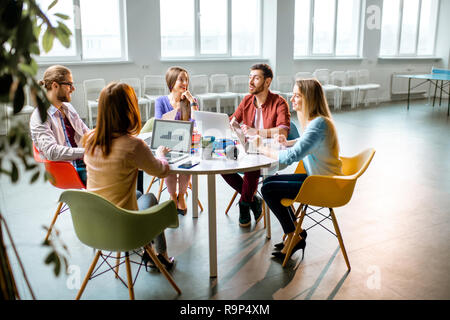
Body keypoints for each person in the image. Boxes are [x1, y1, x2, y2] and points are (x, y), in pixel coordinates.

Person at [83, 82, 175, 270]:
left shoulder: (90, 139)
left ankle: (149, 250)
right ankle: (161, 256)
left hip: (93, 222)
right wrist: (160, 155)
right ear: (130, 110)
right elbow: (161, 171)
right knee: (149, 197)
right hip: (124, 225)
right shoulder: (134, 145)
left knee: (139, 195)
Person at [252, 78, 343, 261]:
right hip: (316, 178)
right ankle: (296, 232)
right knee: (269, 182)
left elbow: (291, 157)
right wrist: (289, 142)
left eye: (297, 96)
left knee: (268, 188)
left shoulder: (318, 124)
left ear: (309, 98)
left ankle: (294, 234)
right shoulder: (316, 122)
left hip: (323, 184)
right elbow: (307, 143)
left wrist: (262, 149)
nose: (292, 99)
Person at [222, 63, 291, 227]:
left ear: (267, 82)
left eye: (256, 78)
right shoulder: (247, 100)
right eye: (250, 77)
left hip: (269, 152)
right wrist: (223, 124)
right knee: (222, 162)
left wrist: (256, 131)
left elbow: (282, 132)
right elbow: (232, 121)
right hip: (249, 149)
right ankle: (253, 200)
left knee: (252, 165)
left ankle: (244, 203)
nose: (251, 82)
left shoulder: (279, 103)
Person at [30, 65, 90, 185]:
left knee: (127, 161)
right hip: (69, 168)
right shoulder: (40, 116)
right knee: (120, 172)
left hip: (85, 160)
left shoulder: (68, 108)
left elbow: (86, 132)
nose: (73, 89)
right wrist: (87, 151)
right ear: (55, 85)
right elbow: (51, 152)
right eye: (69, 84)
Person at [154, 66, 199, 215]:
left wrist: (192, 104)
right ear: (171, 81)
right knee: (168, 157)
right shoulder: (161, 101)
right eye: (181, 79)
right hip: (166, 142)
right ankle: (172, 196)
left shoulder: (191, 101)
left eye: (186, 79)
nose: (185, 82)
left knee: (188, 158)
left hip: (184, 143)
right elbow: (160, 124)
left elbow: (195, 126)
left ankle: (181, 195)